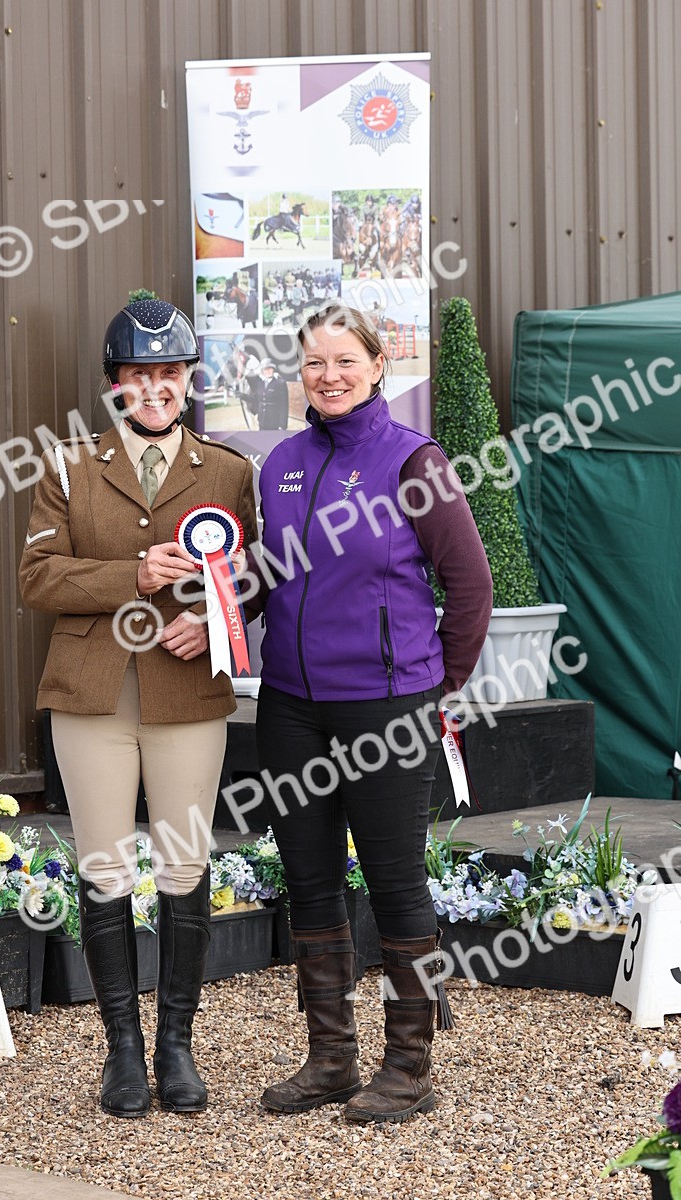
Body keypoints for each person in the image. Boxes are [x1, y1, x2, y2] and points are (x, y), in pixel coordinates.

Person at [251, 303, 492, 1124]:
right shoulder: (282, 463)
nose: (330, 376)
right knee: (309, 880)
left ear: (379, 365)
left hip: (387, 708)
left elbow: (471, 585)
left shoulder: (415, 461)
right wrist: (208, 614)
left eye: (345, 360)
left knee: (395, 884)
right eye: (315, 362)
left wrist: (435, 684)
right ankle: (330, 1060)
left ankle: (409, 1067)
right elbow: (268, 575)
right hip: (290, 707)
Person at [19, 298, 257, 1119]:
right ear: (114, 384)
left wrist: (213, 622)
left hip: (187, 695)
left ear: (190, 380)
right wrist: (135, 575)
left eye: (170, 374)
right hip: (92, 696)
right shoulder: (67, 468)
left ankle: (176, 1046)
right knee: (105, 867)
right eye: (138, 375)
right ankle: (121, 1048)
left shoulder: (228, 470)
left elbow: (254, 575)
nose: (155, 388)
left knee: (185, 866)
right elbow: (37, 578)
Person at [256, 358, 289, 430]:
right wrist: (242, 396)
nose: (268, 371)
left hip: (274, 422)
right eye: (265, 369)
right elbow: (257, 400)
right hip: (262, 421)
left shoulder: (280, 383)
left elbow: (284, 405)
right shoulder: (260, 384)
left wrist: (282, 425)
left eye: (270, 369)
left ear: (273, 369)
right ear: (262, 371)